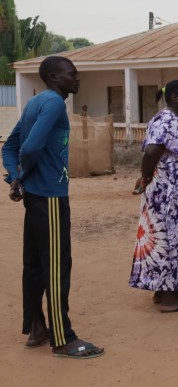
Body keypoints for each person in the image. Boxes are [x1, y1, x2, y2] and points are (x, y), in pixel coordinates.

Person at [1, 56, 104, 358]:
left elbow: (9, 146)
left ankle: (37, 327)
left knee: (33, 264)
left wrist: (16, 178)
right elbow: (29, 147)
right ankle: (63, 338)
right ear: (55, 77)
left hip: (35, 196)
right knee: (57, 266)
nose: (77, 78)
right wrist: (20, 174)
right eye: (72, 74)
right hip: (50, 196)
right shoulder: (56, 104)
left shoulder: (35, 103)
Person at [130, 80, 178, 313]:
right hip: (171, 197)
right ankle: (170, 300)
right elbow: (153, 151)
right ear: (174, 98)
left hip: (176, 196)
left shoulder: (173, 120)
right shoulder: (167, 120)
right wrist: (145, 176)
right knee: (171, 240)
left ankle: (163, 290)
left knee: (168, 240)